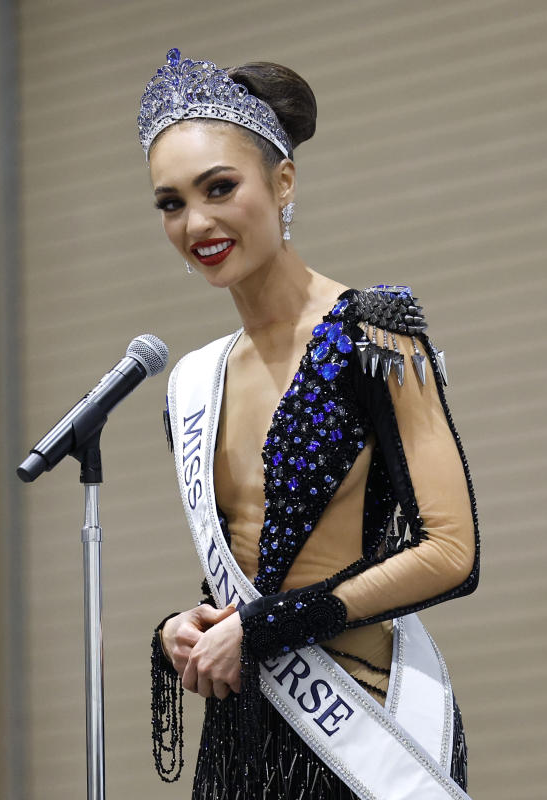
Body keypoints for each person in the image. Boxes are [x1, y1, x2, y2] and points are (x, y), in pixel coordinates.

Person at [141, 49, 481, 799]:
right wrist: (189, 628)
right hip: (242, 734)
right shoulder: (194, 382)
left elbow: (454, 551)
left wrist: (265, 629)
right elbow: (243, 567)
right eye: (171, 203)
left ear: (283, 180)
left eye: (220, 187)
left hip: (363, 726)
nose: (197, 222)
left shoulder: (374, 334)